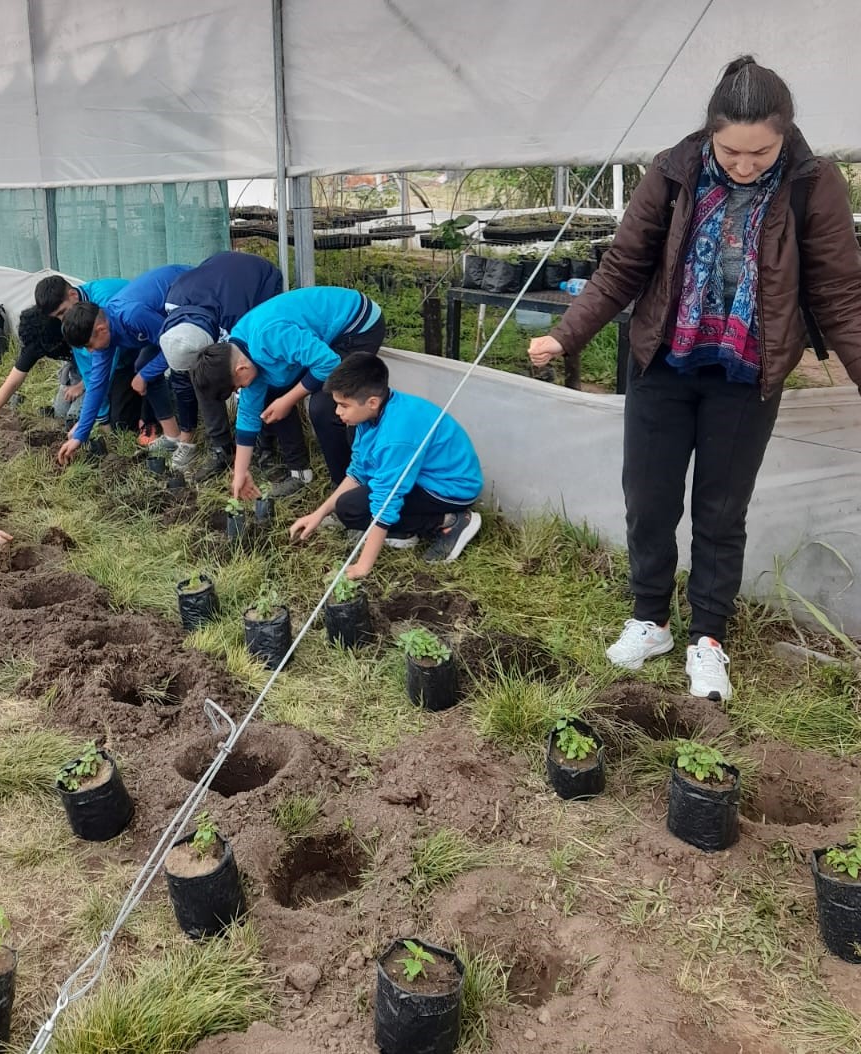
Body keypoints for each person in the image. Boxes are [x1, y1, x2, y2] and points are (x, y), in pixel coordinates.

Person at [528, 56, 861, 703]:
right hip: (664, 363)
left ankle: (708, 639)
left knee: (720, 511)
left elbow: (841, 295)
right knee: (648, 500)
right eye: (730, 150)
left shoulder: (812, 184)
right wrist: (567, 332)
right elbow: (623, 265)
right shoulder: (673, 172)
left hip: (747, 374)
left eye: (759, 153)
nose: (742, 165)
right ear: (709, 132)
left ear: (785, 135)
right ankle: (649, 619)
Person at [290, 353, 482, 576]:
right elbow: (358, 472)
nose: (337, 412)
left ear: (372, 402)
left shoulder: (396, 434)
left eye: (344, 405)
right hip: (423, 477)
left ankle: (452, 521)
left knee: (357, 508)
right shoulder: (370, 416)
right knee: (348, 507)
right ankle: (404, 531)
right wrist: (319, 514)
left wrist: (362, 566)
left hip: (451, 489)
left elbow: (386, 500)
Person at [190, 286, 385, 500]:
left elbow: (328, 363)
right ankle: (301, 473)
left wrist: (289, 400)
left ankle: (347, 491)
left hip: (356, 326)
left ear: (240, 370)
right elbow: (248, 416)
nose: (241, 390)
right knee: (272, 396)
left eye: (237, 387)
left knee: (324, 407)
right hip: (322, 338)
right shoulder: (239, 355)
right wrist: (240, 473)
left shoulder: (269, 336)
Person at [158, 250, 283, 478]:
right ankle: (221, 448)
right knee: (206, 377)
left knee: (259, 372)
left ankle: (265, 446)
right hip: (218, 277)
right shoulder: (172, 306)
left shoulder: (238, 319)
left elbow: (248, 370)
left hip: (260, 280)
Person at [56, 263, 193, 466]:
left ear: (101, 330)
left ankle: (188, 445)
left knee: (172, 372)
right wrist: (80, 435)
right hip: (164, 327)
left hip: (189, 297)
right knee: (144, 366)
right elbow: (97, 384)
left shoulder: (132, 316)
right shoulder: (105, 333)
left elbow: (175, 346)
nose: (91, 352)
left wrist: (145, 375)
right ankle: (172, 438)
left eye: (89, 345)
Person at [0, 274, 130, 431]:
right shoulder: (45, 331)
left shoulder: (97, 308)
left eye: (62, 313)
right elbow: (14, 379)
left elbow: (105, 362)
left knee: (114, 419)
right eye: (58, 316)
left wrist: (85, 389)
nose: (63, 319)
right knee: (61, 410)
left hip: (130, 352)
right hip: (93, 363)